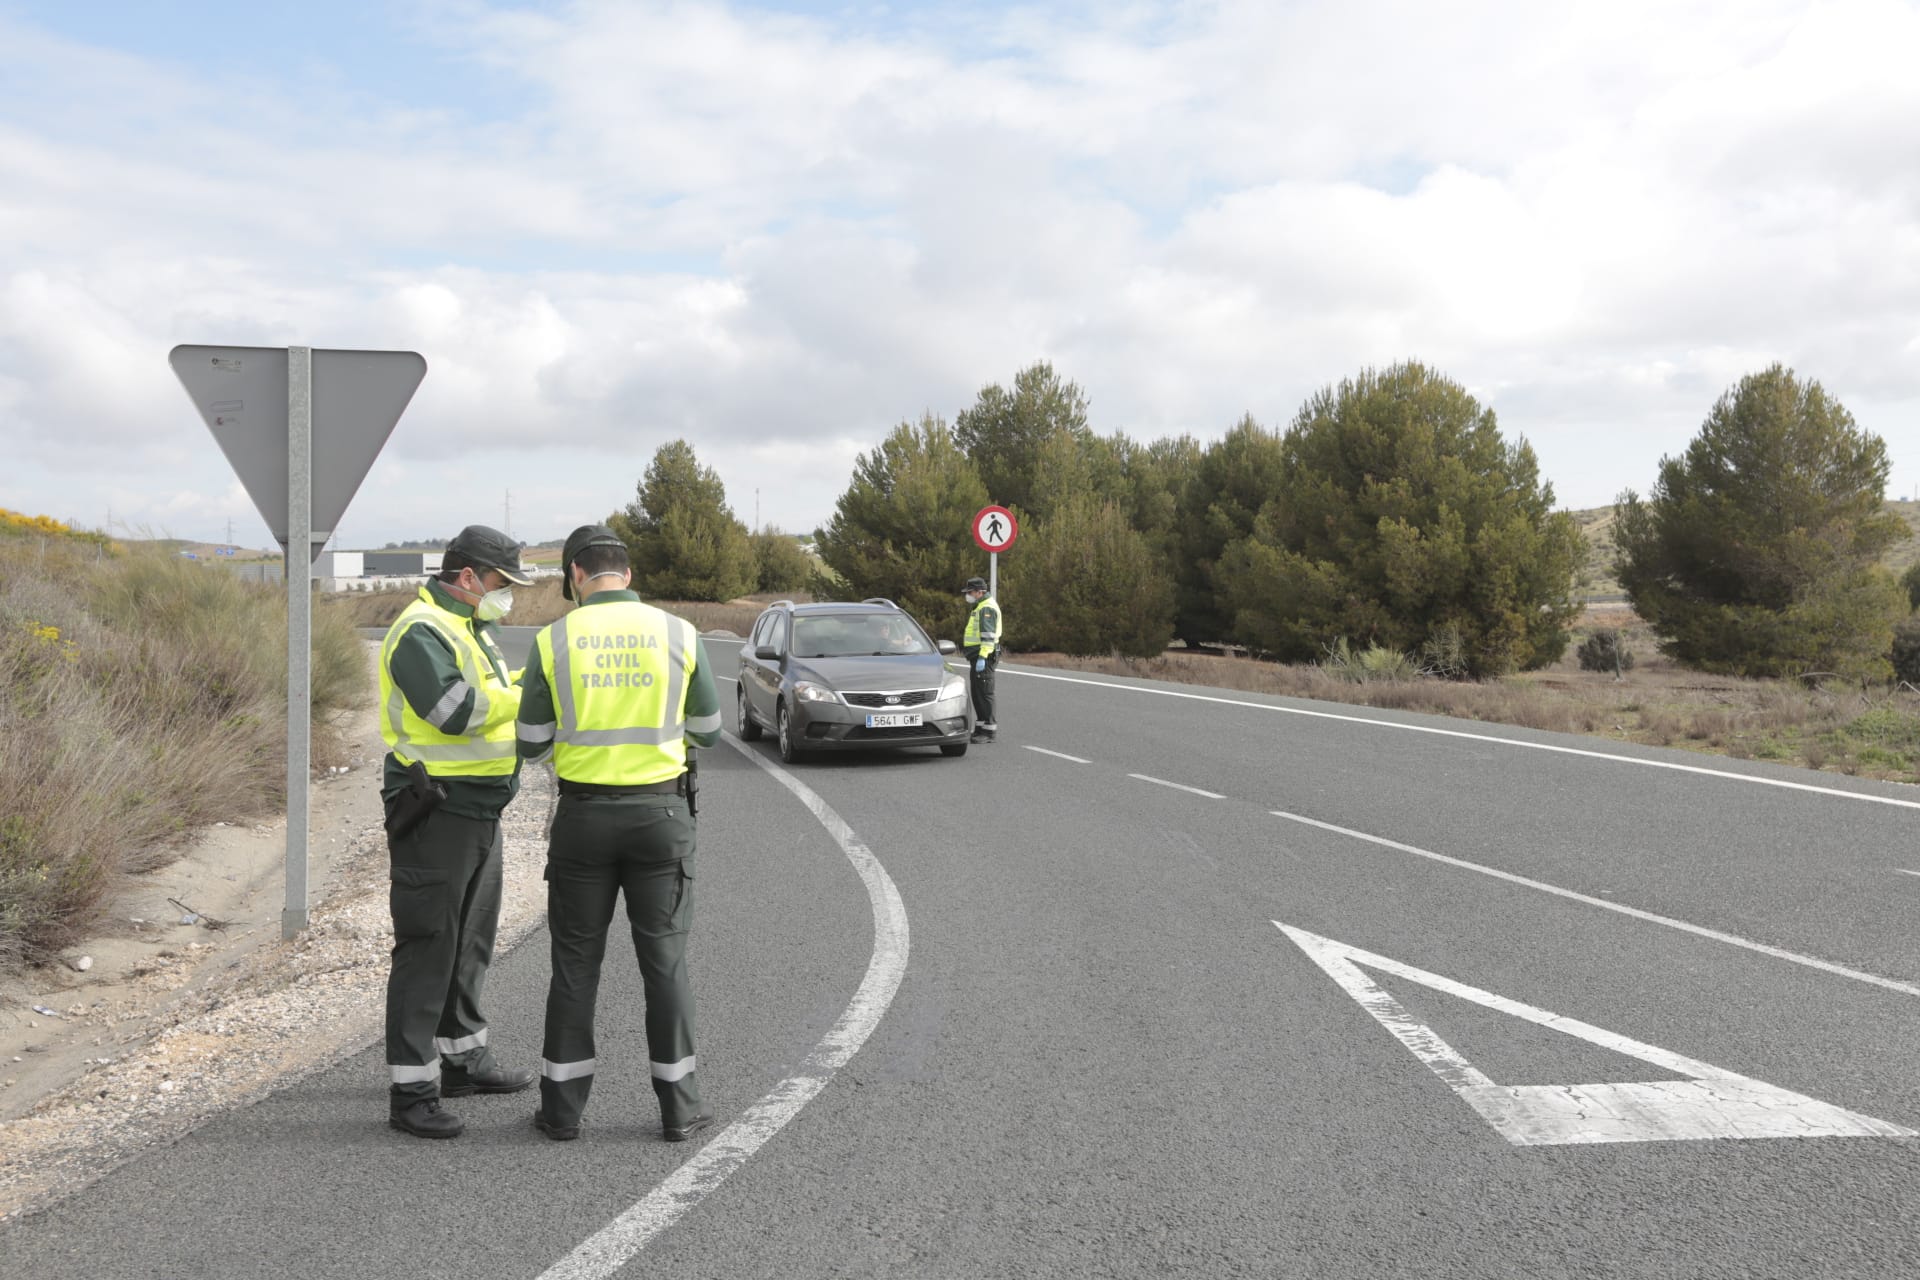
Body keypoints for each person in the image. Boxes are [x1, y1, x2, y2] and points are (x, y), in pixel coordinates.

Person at [515, 525, 724, 1143]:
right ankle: (679, 1109)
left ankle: (561, 1113)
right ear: (627, 575)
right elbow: (709, 729)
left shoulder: (553, 639)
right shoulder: (679, 634)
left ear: (575, 577)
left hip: (583, 821)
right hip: (661, 819)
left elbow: (530, 746)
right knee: (665, 963)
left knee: (576, 966)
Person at [378, 525, 536, 1139]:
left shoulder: (473, 628)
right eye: (502, 583)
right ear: (467, 576)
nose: (507, 595)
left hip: (478, 811)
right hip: (437, 813)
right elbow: (455, 711)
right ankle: (411, 1091)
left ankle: (462, 1059)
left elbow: (487, 699)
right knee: (428, 946)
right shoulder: (421, 631)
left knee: (469, 943)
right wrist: (524, 694)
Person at [961, 575, 1003, 742]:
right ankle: (980, 729)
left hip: (984, 657)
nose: (968, 595)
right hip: (977, 657)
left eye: (970, 592)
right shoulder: (980, 606)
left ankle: (989, 731)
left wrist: (982, 657)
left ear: (979, 592)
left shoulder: (987, 608)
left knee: (985, 693)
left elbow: (988, 636)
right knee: (977, 693)